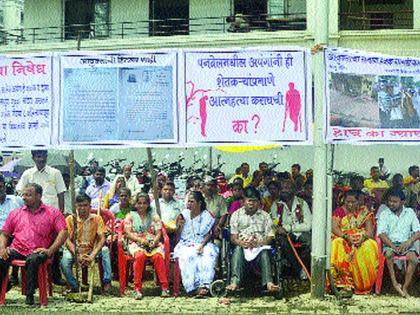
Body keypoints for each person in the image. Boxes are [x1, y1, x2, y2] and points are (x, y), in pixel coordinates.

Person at [0, 183, 67, 305]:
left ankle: (29, 294)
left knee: (33, 259)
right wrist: (3, 248)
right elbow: (5, 234)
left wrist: (50, 251)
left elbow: (63, 232)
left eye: (28, 195)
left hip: (40, 250)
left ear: (39, 196)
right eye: (23, 195)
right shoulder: (16, 213)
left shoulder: (53, 213)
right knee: (1, 257)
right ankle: (3, 288)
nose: (24, 197)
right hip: (18, 249)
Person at [227, 187, 279, 293]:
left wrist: (259, 243)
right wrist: (241, 243)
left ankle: (269, 283)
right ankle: (234, 282)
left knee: (265, 252)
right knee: (237, 249)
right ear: (243, 201)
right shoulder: (236, 215)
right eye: (249, 200)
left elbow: (270, 236)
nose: (252, 203)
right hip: (243, 245)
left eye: (255, 201)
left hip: (259, 246)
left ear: (259, 202)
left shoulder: (265, 216)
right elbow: (233, 237)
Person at [60, 194, 112, 294]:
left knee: (105, 251)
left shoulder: (97, 219)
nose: (82, 208)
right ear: (76, 207)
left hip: (92, 249)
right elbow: (66, 241)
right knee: (65, 261)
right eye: (80, 206)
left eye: (85, 205)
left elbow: (102, 238)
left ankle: (107, 282)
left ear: (90, 206)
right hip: (75, 250)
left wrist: (93, 255)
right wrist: (77, 254)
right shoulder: (70, 219)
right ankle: (73, 285)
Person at [331, 190, 378, 294]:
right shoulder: (339, 211)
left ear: (358, 201)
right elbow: (334, 228)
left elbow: (369, 232)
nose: (350, 204)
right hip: (343, 237)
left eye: (353, 202)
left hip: (361, 238)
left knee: (371, 245)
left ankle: (362, 283)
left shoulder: (365, 213)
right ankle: (343, 284)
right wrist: (346, 237)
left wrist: (362, 238)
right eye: (347, 202)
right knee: (337, 243)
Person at [124, 193, 169, 299]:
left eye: (144, 203)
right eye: (139, 203)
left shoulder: (154, 215)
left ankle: (164, 287)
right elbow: (128, 233)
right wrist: (140, 240)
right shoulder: (130, 215)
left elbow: (159, 232)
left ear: (148, 204)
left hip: (152, 242)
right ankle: (137, 289)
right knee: (140, 256)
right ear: (135, 204)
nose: (142, 206)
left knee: (158, 257)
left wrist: (155, 240)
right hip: (136, 242)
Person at [173, 191, 219, 297]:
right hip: (185, 243)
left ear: (199, 203)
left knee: (208, 254)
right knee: (189, 255)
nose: (189, 204)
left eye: (192, 201)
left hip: (203, 243)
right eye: (188, 201)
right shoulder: (183, 214)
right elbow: (178, 235)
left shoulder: (206, 215)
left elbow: (208, 234)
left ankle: (205, 285)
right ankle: (192, 288)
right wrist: (179, 226)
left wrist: (202, 246)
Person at [377, 189, 420, 297]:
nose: (391, 204)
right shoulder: (384, 213)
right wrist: (392, 246)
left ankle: (405, 287)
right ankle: (395, 283)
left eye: (395, 201)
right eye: (390, 201)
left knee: (414, 259)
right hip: (390, 244)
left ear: (402, 202)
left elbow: (418, 231)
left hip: (407, 244)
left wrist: (408, 242)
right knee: (388, 254)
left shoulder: (410, 212)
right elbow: (381, 234)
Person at [271, 179, 312, 280]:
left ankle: (307, 268)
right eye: (282, 188)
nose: (284, 190)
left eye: (288, 188)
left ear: (294, 190)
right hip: (284, 235)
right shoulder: (276, 204)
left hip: (300, 232)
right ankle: (300, 270)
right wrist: (278, 229)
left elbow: (308, 225)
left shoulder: (302, 203)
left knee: (310, 241)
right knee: (282, 241)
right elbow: (273, 223)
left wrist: (289, 228)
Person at [0, 175, 23, 285]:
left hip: (15, 235)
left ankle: (10, 277)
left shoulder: (16, 200)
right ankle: (6, 282)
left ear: (4, 187)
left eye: (0, 186)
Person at [201, 177, 227, 246]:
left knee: (217, 244)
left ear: (215, 187)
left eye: (212, 185)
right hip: (201, 229)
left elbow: (224, 215)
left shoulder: (220, 199)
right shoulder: (200, 199)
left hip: (215, 229)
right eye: (208, 185)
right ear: (204, 186)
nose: (210, 187)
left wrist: (218, 226)